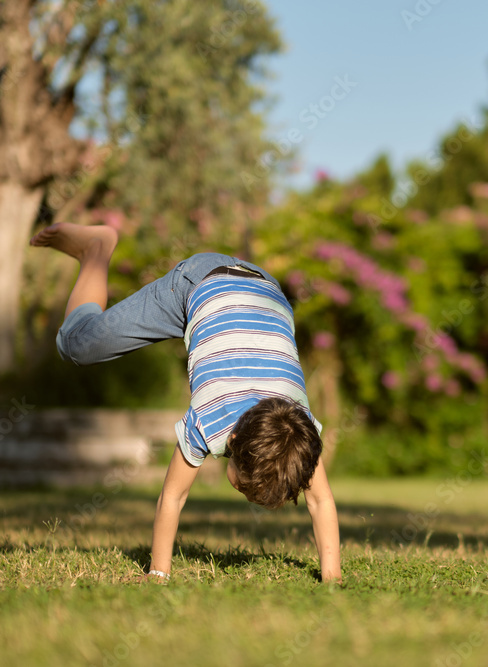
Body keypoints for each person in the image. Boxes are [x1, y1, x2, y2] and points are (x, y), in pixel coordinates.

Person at [29, 222, 341, 583]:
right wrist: (158, 573)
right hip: (197, 283)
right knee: (77, 346)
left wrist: (331, 578)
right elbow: (172, 498)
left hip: (266, 289)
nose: (242, 492)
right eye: (243, 484)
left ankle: (97, 250)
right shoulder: (209, 420)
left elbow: (320, 501)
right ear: (235, 441)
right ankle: (97, 249)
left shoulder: (297, 432)